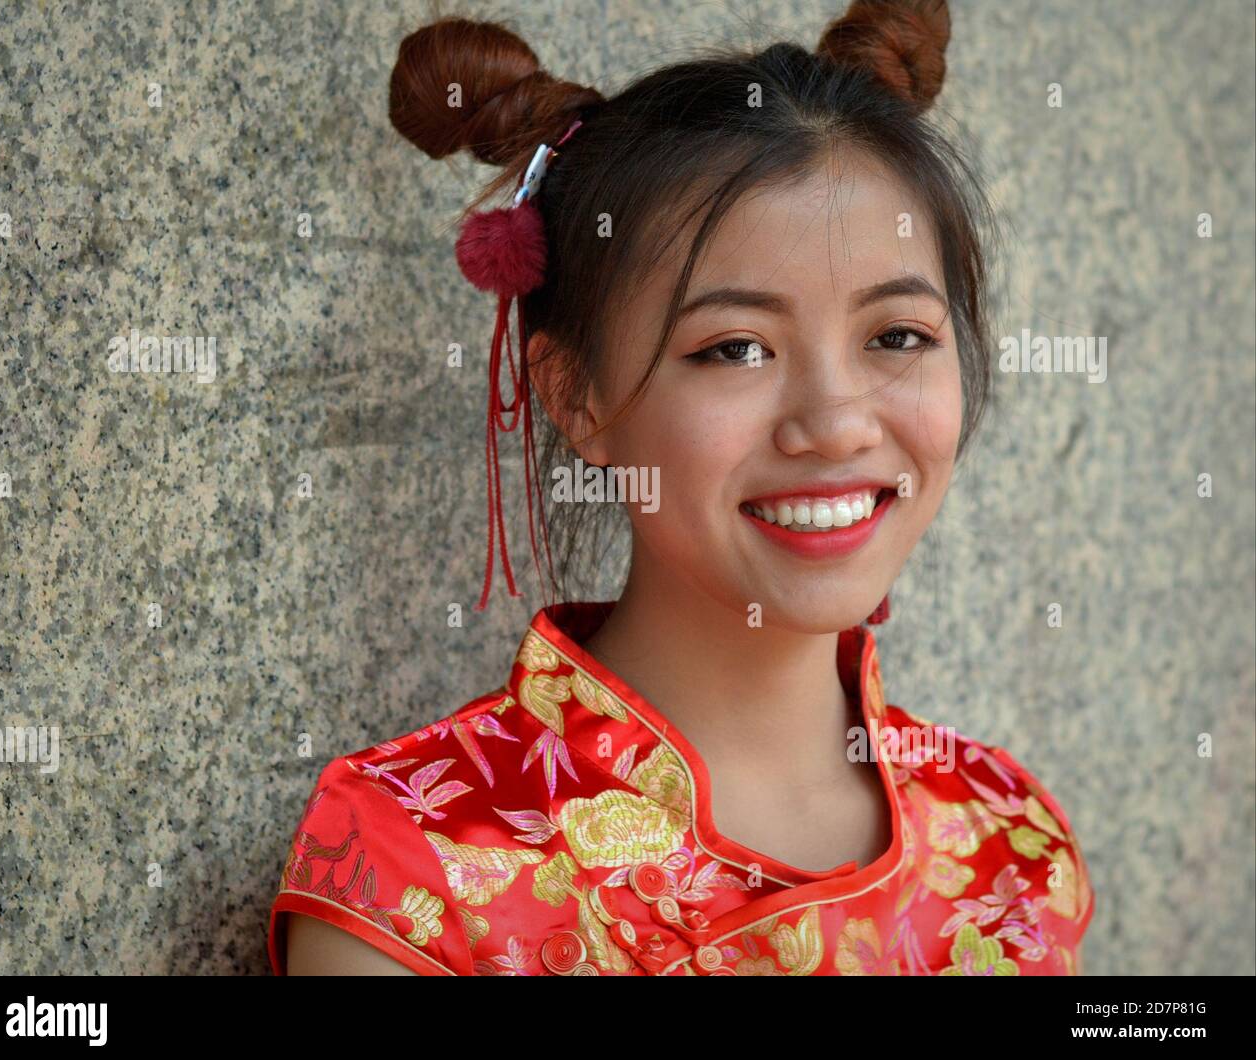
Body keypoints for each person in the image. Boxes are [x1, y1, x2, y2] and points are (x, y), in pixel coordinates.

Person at [268, 0, 1095, 976]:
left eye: (896, 336)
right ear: (576, 396)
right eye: (734, 348)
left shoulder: (1009, 843)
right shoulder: (419, 872)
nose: (834, 422)